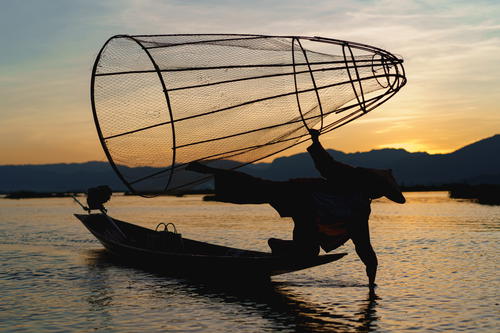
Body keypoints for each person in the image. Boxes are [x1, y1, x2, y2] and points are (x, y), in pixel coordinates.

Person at [186, 130, 405, 288]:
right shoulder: (352, 180)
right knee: (258, 187)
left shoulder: (360, 207)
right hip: (299, 196)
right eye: (381, 191)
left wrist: (371, 281)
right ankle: (209, 170)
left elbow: (364, 245)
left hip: (306, 210)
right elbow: (328, 164)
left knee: (307, 251)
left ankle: (278, 245)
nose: (379, 195)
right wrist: (315, 140)